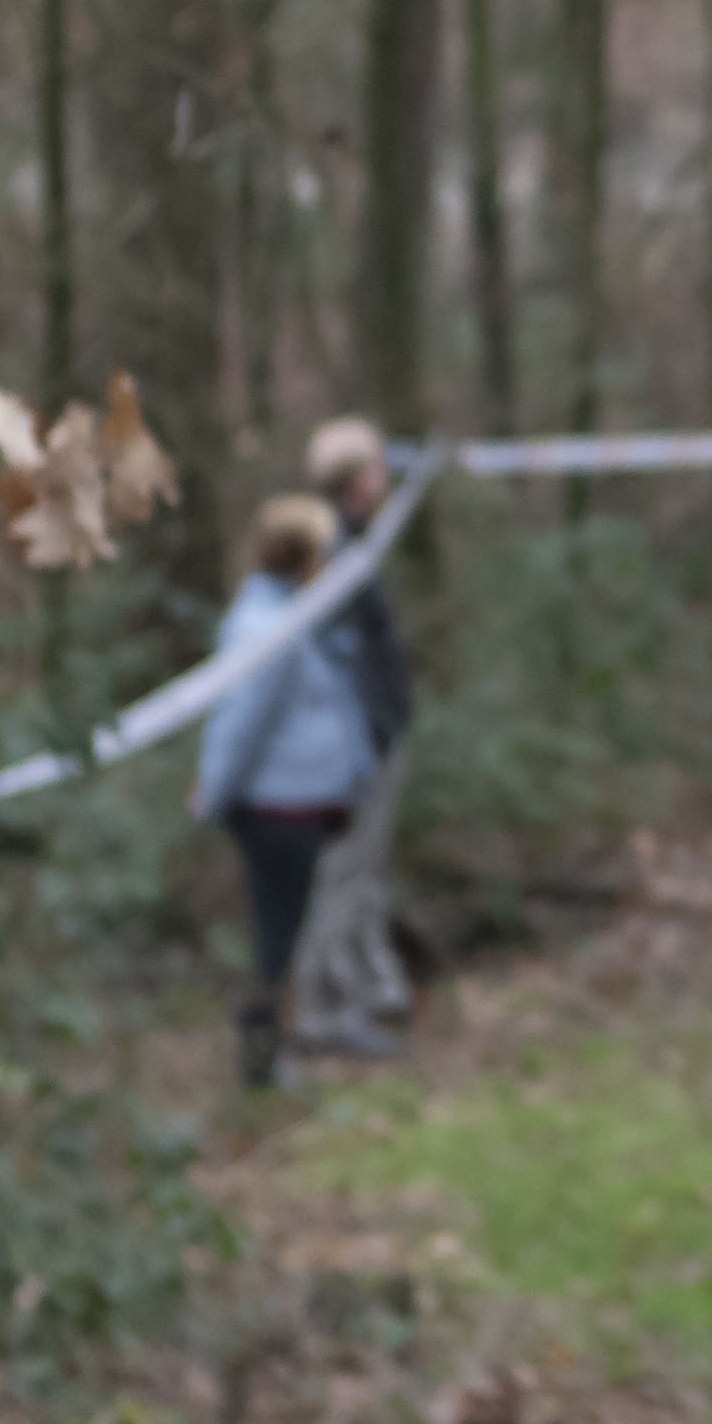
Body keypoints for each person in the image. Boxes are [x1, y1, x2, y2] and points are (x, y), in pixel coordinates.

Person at [191, 493, 378, 1091]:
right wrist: (215, 791)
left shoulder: (300, 615)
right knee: (277, 935)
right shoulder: (265, 627)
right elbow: (239, 722)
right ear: (304, 554)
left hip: (304, 805)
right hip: (276, 810)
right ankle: (265, 1057)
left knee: (289, 932)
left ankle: (279, 1050)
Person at [288, 417, 414, 1062]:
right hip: (352, 746)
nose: (384, 477)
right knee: (340, 874)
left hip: (377, 737)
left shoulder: (358, 541)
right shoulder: (330, 549)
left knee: (365, 872)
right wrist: (357, 736)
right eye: (376, 466)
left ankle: (367, 991)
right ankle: (324, 1010)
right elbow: (333, 660)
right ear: (357, 477)